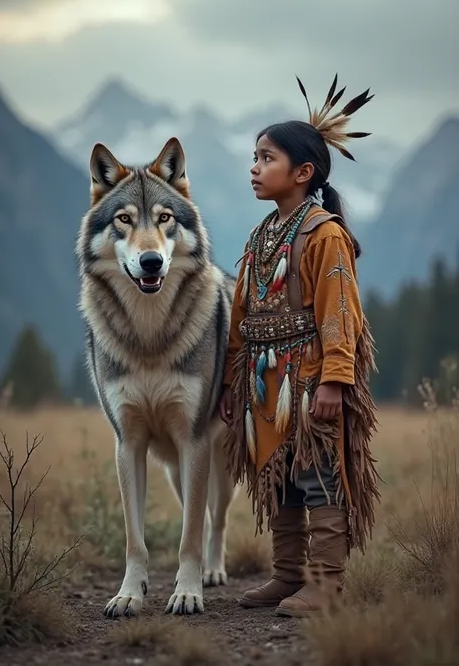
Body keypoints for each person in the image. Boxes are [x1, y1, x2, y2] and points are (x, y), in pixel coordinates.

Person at [219, 74, 381, 618]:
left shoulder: (324, 234)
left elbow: (341, 313)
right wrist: (229, 382)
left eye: (266, 158)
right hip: (265, 382)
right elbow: (240, 315)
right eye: (254, 157)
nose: (254, 168)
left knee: (320, 480)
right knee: (281, 479)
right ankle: (287, 578)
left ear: (302, 172)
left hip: (312, 377)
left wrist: (336, 380)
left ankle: (324, 585)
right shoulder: (262, 236)